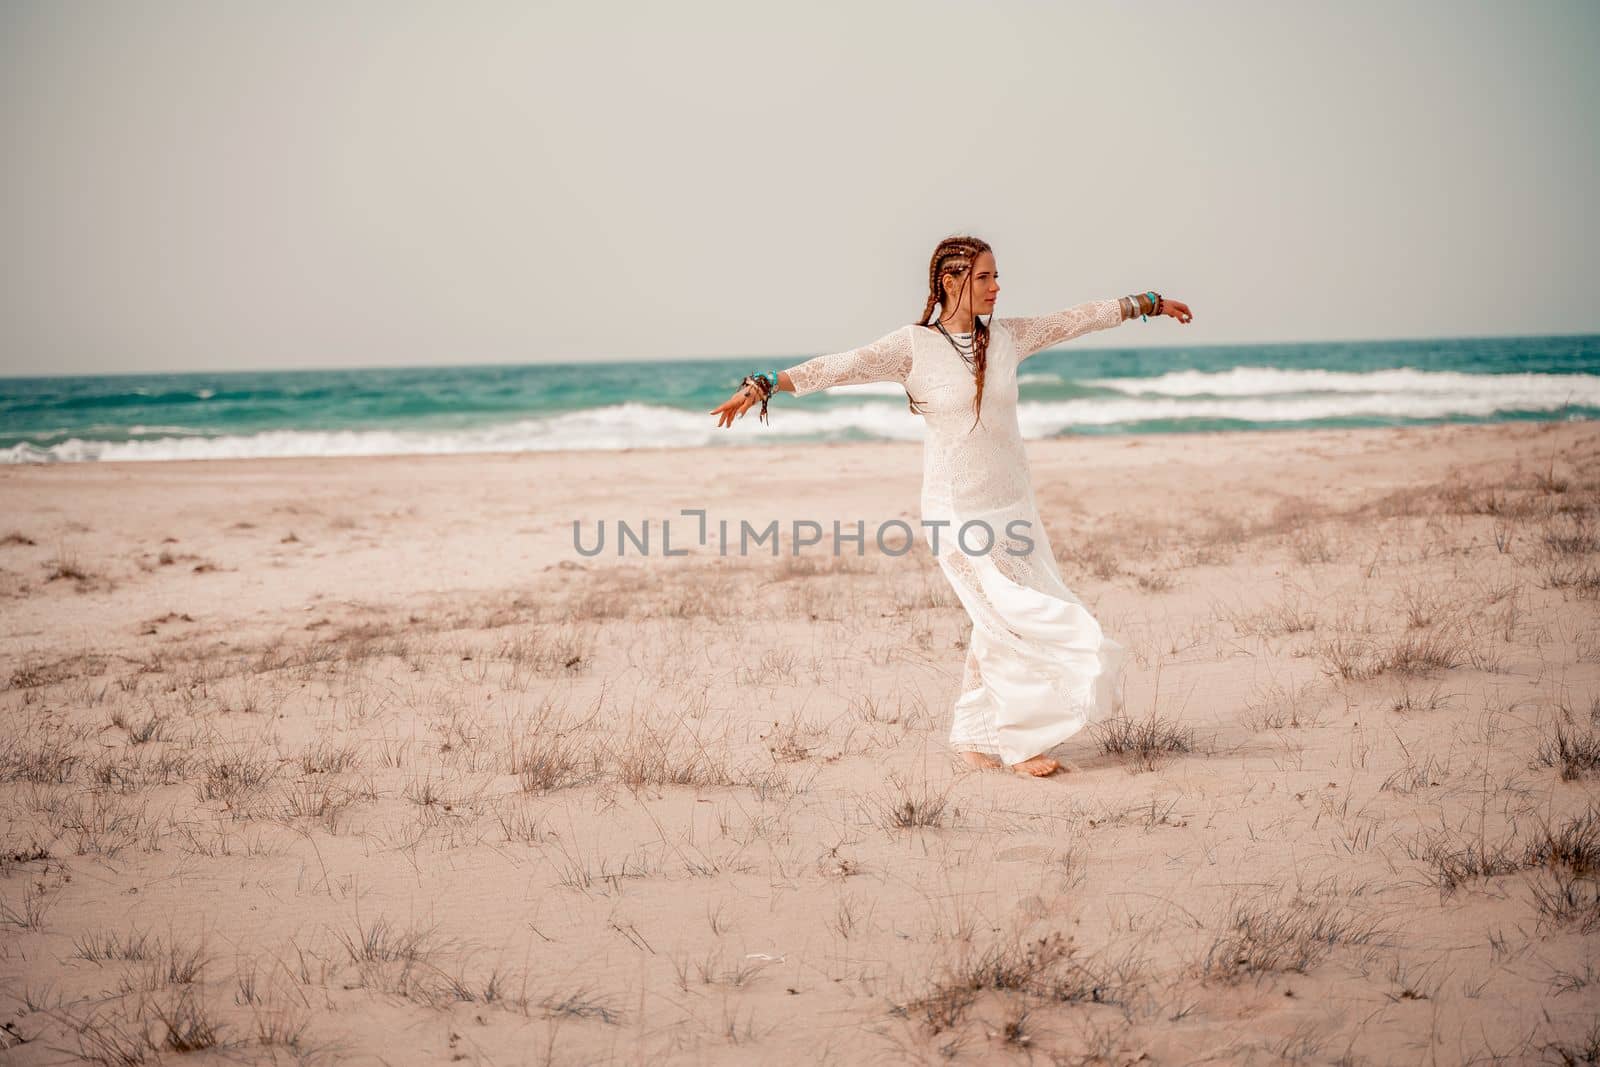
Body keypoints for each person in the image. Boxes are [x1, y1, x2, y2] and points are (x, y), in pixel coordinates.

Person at [709, 235, 1193, 778]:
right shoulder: (913, 347)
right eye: (984, 277)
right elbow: (840, 367)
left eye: (996, 276)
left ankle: (973, 734)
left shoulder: (1010, 337)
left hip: (1013, 504)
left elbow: (1078, 318)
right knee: (1009, 616)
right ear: (951, 280)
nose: (996, 287)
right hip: (955, 510)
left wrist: (1145, 304)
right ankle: (1020, 742)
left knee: (994, 618)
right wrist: (764, 384)